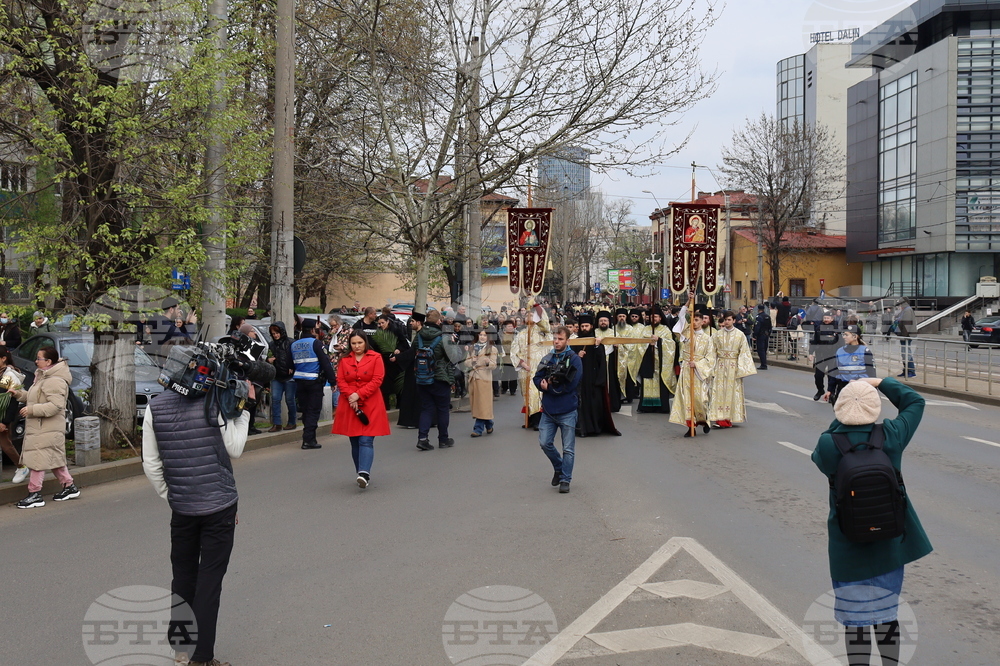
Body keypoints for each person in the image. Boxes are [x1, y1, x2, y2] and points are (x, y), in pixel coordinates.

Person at [811, 378, 932, 666]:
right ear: (874, 409)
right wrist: (880, 382)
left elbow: (820, 459)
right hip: (888, 540)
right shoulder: (890, 435)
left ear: (840, 408)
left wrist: (840, 422)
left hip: (847, 544)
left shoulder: (829, 443)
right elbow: (915, 402)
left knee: (856, 622)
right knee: (887, 615)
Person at [141, 356, 251, 666]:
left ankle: (180, 648)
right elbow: (235, 448)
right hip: (220, 506)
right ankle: (201, 658)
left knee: (183, 577)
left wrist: (172, 496)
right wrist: (244, 412)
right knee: (209, 581)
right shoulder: (217, 402)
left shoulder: (155, 406)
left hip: (182, 508)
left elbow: (151, 463)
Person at [13, 346, 79, 508]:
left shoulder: (54, 380)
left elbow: (55, 406)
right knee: (53, 458)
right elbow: (35, 396)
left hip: (46, 427)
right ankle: (69, 486)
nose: (36, 361)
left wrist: (31, 410)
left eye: (39, 358)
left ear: (48, 361)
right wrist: (19, 394)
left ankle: (34, 494)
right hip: (43, 427)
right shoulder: (45, 376)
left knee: (38, 461)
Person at [332, 332, 390, 488]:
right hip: (349, 403)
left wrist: (359, 395)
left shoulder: (375, 357)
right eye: (353, 343)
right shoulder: (344, 359)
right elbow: (341, 380)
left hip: (370, 402)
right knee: (355, 440)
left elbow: (377, 379)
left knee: (366, 439)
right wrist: (351, 396)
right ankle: (360, 472)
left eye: (359, 343)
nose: (357, 346)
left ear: (365, 342)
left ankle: (364, 473)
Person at [533, 326, 583, 494]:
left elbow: (572, 384)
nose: (556, 342)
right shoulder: (548, 358)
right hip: (548, 410)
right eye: (555, 338)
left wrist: (551, 388)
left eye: (560, 339)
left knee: (568, 448)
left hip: (567, 409)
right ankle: (559, 467)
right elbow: (537, 377)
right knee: (544, 443)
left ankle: (565, 479)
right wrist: (541, 384)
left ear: (567, 341)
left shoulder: (574, 359)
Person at [669, 299, 717, 436]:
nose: (694, 322)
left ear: (703, 322)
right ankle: (691, 427)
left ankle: (704, 419)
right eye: (693, 320)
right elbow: (681, 316)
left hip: (698, 372)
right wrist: (689, 301)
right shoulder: (686, 334)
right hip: (686, 370)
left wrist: (697, 364)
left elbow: (710, 358)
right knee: (686, 399)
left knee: (700, 399)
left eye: (697, 320)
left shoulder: (708, 339)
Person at [414, 310, 459, 450]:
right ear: (439, 321)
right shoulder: (444, 337)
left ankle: (422, 438)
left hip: (422, 377)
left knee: (426, 408)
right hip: (440, 377)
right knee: (443, 409)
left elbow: (413, 352)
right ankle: (443, 439)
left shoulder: (418, 336)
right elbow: (454, 357)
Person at [292, 319, 338, 449]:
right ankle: (309, 440)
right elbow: (326, 363)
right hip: (314, 382)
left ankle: (308, 437)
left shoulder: (294, 344)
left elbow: (291, 364)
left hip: (299, 382)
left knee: (306, 411)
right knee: (313, 411)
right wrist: (333, 381)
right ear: (313, 329)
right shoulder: (316, 344)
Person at [707, 310, 756, 428]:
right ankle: (719, 417)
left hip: (733, 368)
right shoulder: (717, 334)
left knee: (732, 393)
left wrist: (742, 369)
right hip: (720, 366)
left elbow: (744, 353)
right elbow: (711, 352)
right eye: (725, 320)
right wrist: (710, 367)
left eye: (729, 320)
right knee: (718, 392)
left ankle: (730, 418)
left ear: (734, 321)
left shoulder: (740, 335)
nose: (727, 322)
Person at [574, 313, 620, 436]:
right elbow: (569, 360)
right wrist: (577, 356)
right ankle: (582, 429)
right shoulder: (575, 343)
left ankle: (596, 428)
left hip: (594, 380)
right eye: (582, 326)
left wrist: (596, 347)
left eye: (586, 326)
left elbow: (601, 361)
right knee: (581, 405)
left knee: (595, 405)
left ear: (591, 326)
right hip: (581, 381)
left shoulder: (597, 343)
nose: (584, 328)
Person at [510, 305, 552, 429]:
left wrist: (537, 306)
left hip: (538, 367)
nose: (529, 317)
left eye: (532, 315)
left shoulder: (542, 332)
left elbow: (545, 324)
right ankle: (529, 419)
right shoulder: (521, 334)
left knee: (536, 393)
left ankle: (537, 420)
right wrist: (522, 363)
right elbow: (514, 351)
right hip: (525, 368)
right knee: (526, 394)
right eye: (527, 315)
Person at [635, 304, 676, 414]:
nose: (654, 319)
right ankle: (646, 407)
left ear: (660, 318)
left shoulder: (665, 330)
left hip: (661, 364)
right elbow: (639, 345)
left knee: (660, 385)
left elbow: (671, 345)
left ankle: (661, 407)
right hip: (648, 361)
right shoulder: (645, 330)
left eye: (656, 317)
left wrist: (659, 341)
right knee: (647, 383)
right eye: (652, 317)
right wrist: (648, 344)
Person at [823, 325, 876, 407]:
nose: (844, 337)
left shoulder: (865, 351)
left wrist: (873, 390)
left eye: (846, 335)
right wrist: (830, 390)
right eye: (843, 335)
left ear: (855, 337)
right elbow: (834, 372)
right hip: (843, 387)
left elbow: (871, 373)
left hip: (860, 389)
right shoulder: (840, 351)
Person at [370, 314, 408, 410]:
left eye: (383, 323)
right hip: (384, 362)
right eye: (379, 323)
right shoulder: (378, 333)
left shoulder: (396, 330)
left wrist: (398, 350)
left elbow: (404, 344)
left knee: (398, 385)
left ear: (388, 322)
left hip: (396, 363)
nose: (381, 325)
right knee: (385, 386)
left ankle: (400, 405)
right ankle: (385, 406)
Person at [464, 329, 497, 437]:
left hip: (484, 378)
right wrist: (472, 361)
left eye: (485, 335)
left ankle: (478, 428)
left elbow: (494, 365)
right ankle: (489, 424)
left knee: (482, 404)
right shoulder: (473, 348)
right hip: (474, 377)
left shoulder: (492, 349)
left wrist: (488, 362)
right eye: (481, 335)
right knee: (477, 404)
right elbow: (466, 362)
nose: (482, 337)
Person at [0, 347, 26, 481]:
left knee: (6, 445)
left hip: (3, 416)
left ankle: (21, 466)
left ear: (3, 359)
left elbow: (11, 401)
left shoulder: (9, 376)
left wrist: (4, 422)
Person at [266, 321, 297, 432]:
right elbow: (265, 357)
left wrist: (292, 366)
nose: (275, 335)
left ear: (282, 332)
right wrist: (268, 360)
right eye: (273, 334)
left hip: (289, 376)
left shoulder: (291, 342)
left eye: (277, 333)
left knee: (290, 400)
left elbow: (296, 357)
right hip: (277, 376)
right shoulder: (271, 345)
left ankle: (292, 422)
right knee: (275, 399)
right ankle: (277, 423)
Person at [810, 311, 843, 402]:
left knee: (832, 376)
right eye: (825, 318)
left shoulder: (836, 329)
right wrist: (810, 353)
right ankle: (820, 390)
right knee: (818, 376)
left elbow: (841, 343)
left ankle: (830, 393)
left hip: (833, 355)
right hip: (820, 355)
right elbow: (814, 341)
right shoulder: (818, 328)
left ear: (832, 319)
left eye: (828, 318)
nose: (826, 320)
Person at [892, 298, 916, 378]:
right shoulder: (905, 310)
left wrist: (903, 336)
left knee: (906, 353)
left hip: (906, 336)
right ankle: (906, 370)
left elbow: (907, 325)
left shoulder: (907, 310)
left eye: (900, 304)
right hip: (904, 335)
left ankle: (911, 371)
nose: (899, 306)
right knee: (904, 353)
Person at [497, 320, 519, 396]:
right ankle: (504, 388)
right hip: (504, 357)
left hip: (513, 357)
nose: (510, 328)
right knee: (504, 374)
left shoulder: (516, 334)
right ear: (505, 327)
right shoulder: (500, 335)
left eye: (512, 326)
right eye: (509, 326)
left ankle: (513, 389)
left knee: (513, 374)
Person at [752, 303, 772, 370]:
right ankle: (764, 363)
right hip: (766, 335)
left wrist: (755, 335)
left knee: (761, 350)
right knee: (765, 349)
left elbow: (757, 327)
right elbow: (770, 327)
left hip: (760, 335)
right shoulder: (767, 316)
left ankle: (763, 364)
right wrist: (769, 334)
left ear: (758, 310)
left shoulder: (759, 317)